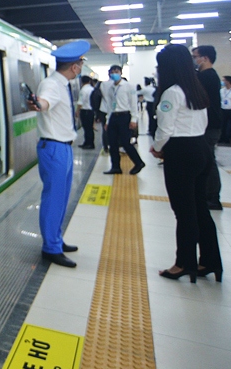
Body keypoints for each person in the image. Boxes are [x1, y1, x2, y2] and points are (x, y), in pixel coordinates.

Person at [150, 45, 222, 283]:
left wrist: (157, 147)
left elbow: (165, 129)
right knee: (200, 208)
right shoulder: (196, 88)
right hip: (201, 148)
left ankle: (184, 263)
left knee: (184, 211)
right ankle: (210, 261)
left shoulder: (172, 92)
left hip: (181, 154)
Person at [28, 39, 89, 268]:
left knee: (61, 198)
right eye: (81, 63)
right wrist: (39, 104)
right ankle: (50, 248)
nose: (81, 67)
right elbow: (44, 103)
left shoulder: (62, 84)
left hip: (63, 147)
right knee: (53, 199)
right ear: (74, 66)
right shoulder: (52, 85)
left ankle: (56, 239)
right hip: (54, 148)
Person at [192, 46, 223, 210]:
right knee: (206, 160)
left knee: (208, 161)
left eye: (195, 57)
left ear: (205, 58)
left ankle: (212, 196)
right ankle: (208, 193)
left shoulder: (207, 76)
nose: (194, 60)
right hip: (208, 124)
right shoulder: (209, 75)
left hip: (209, 125)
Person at [102, 65, 145, 175]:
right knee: (112, 143)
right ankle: (115, 167)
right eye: (112, 72)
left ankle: (139, 163)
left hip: (124, 116)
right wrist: (107, 120)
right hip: (113, 117)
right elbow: (110, 105)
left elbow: (133, 103)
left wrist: (134, 119)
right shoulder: (110, 88)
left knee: (125, 142)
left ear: (121, 73)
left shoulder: (129, 86)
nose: (114, 74)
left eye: (116, 71)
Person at [76, 75, 95, 149]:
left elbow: (80, 102)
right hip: (91, 111)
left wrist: (77, 111)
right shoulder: (92, 89)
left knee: (86, 128)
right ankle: (89, 143)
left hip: (85, 111)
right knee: (90, 128)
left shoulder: (83, 90)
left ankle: (89, 143)